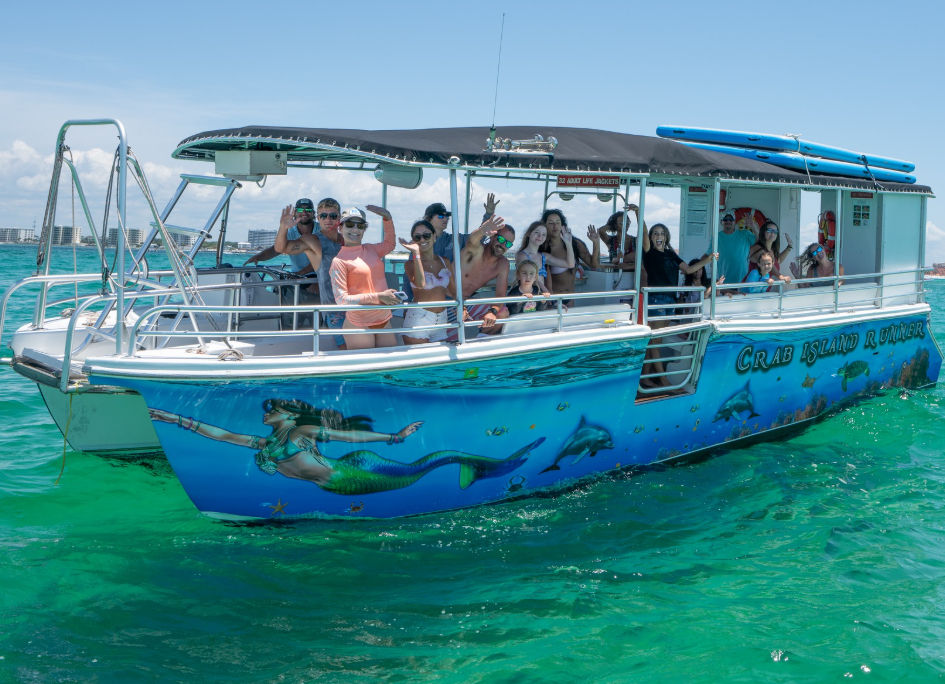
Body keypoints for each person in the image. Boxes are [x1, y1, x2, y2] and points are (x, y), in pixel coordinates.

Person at [641, 223, 717, 388]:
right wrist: (639, 213)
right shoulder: (648, 253)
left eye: (661, 233)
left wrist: (707, 260)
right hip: (656, 300)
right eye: (655, 234)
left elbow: (689, 270)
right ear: (650, 237)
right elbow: (644, 232)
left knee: (655, 339)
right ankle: (663, 379)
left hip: (670, 301)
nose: (658, 236)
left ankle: (646, 377)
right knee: (656, 340)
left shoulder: (670, 254)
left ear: (666, 236)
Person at [327, 205, 401, 350]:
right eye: (349, 225)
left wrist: (387, 218)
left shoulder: (371, 249)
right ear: (340, 228)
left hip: (384, 319)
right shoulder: (339, 262)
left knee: (389, 371)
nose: (355, 229)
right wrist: (379, 297)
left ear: (364, 229)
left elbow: (390, 244)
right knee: (365, 371)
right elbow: (342, 300)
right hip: (359, 323)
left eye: (360, 226)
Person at [399, 219, 455, 344]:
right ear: (414, 241)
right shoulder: (410, 264)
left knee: (440, 362)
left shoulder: (444, 261)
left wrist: (461, 307)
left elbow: (452, 291)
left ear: (434, 236)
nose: (422, 240)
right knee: (419, 363)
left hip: (441, 319)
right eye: (417, 237)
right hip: (418, 319)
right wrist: (416, 254)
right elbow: (421, 284)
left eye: (426, 235)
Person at [457, 215, 513, 335]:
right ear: (493, 236)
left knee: (502, 313)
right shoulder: (476, 250)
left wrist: (492, 312)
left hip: (469, 302)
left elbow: (500, 296)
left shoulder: (503, 263)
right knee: (451, 336)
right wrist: (482, 231)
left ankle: (480, 339)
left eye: (508, 244)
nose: (503, 245)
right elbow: (472, 240)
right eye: (501, 240)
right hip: (451, 298)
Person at [244, 198, 319, 275]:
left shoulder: (321, 230)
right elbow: (277, 249)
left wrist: (300, 273)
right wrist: (258, 257)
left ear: (313, 213)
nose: (304, 212)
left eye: (308, 210)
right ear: (294, 213)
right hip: (297, 277)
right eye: (300, 210)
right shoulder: (290, 232)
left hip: (317, 276)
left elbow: (321, 259)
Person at [539, 209, 601, 294]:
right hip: (552, 299)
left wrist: (596, 243)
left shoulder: (575, 244)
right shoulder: (542, 247)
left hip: (571, 298)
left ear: (562, 225)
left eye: (558, 222)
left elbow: (594, 265)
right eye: (550, 223)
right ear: (544, 226)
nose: (555, 226)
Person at [717, 212, 758, 284]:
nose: (728, 221)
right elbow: (709, 254)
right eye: (725, 219)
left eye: (730, 219)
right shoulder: (717, 237)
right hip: (723, 281)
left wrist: (753, 226)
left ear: (734, 221)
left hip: (743, 281)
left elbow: (759, 241)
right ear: (721, 222)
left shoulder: (745, 233)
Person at [514, 222, 554, 294]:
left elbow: (569, 264)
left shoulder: (543, 256)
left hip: (539, 294)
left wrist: (568, 243)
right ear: (529, 233)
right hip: (527, 295)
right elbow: (535, 279)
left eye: (543, 235)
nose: (540, 236)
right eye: (536, 232)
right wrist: (547, 293)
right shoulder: (522, 256)